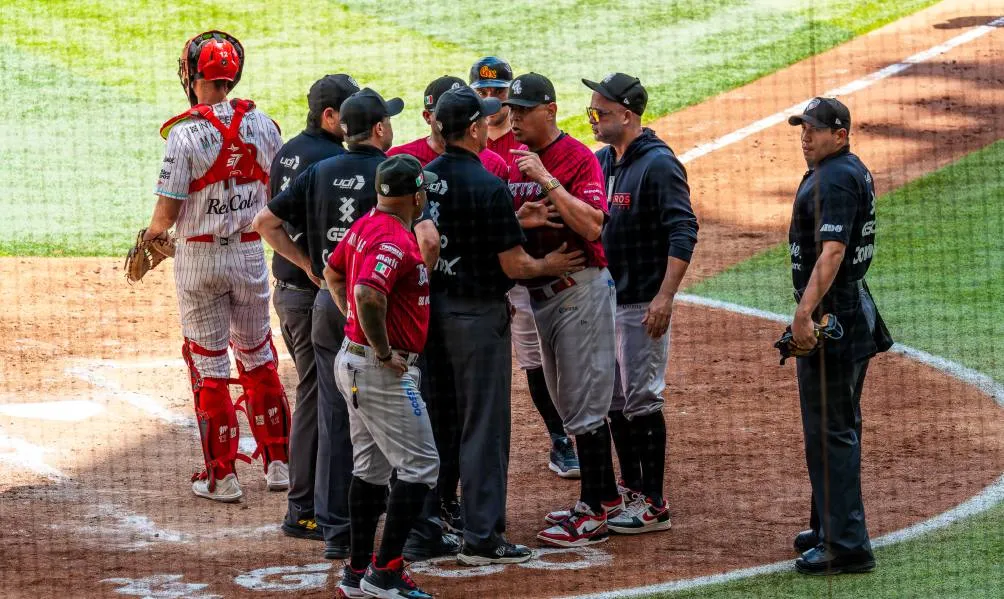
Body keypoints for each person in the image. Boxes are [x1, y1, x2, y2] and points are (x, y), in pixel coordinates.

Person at [419, 87, 586, 565]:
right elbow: (514, 265)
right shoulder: (488, 183)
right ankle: (482, 536)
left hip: (431, 316)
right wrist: (550, 265)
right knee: (484, 428)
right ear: (474, 129)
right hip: (477, 320)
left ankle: (427, 527)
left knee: (437, 423)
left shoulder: (423, 178)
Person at [254, 87, 401, 560]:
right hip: (373, 307)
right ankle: (410, 522)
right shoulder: (389, 173)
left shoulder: (316, 167)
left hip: (323, 301)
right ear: (378, 128)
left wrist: (313, 267)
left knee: (332, 410)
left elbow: (265, 222)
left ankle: (333, 525)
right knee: (394, 407)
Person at [148, 30, 288, 503]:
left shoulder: (184, 133)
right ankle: (279, 464)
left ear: (192, 75)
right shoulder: (264, 125)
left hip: (200, 259)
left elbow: (166, 216)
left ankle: (222, 476)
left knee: (208, 364)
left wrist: (150, 237)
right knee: (258, 354)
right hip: (250, 254)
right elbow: (277, 194)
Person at [504, 73, 621, 547]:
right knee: (568, 400)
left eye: (523, 110)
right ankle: (604, 496)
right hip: (542, 296)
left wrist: (546, 179)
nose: (513, 118)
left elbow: (592, 227)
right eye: (511, 110)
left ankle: (594, 511)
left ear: (549, 110)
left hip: (579, 290)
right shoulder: (514, 161)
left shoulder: (576, 158)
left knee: (585, 402)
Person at [586, 73, 698, 535]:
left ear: (628, 115)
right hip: (605, 302)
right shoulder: (602, 160)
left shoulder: (659, 165)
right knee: (614, 400)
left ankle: (654, 503)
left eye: (600, 112)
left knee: (642, 400)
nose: (592, 119)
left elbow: (683, 230)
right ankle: (632, 488)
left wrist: (665, 297)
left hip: (641, 304)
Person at [785, 97, 893, 575]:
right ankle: (827, 526)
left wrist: (804, 314)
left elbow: (832, 252)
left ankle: (847, 546)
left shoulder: (834, 177)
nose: (806, 136)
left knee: (831, 431)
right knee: (836, 425)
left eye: (814, 129)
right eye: (802, 128)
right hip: (849, 309)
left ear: (840, 134)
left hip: (835, 314)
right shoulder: (845, 169)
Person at [323, 155, 439, 599]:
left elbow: (333, 272)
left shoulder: (366, 224)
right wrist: (384, 349)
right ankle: (384, 572)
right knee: (421, 466)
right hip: (380, 370)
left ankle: (356, 573)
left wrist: (352, 322)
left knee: (370, 470)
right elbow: (368, 292)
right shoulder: (393, 238)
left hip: (355, 364)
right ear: (416, 196)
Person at [471, 58, 579, 480]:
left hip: (551, 270)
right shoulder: (475, 147)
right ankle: (560, 437)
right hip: (504, 272)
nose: (492, 100)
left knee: (562, 358)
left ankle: (579, 431)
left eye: (499, 92)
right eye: (483, 92)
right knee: (532, 360)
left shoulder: (526, 141)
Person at [269, 74, 360, 541]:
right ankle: (304, 506)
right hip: (310, 297)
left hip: (289, 293)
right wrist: (311, 265)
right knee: (320, 396)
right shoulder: (328, 161)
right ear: (329, 116)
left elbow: (273, 220)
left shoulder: (289, 150)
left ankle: (309, 502)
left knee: (315, 391)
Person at [387, 75, 508, 179]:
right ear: (427, 116)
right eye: (447, 112)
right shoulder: (398, 158)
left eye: (464, 112)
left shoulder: (494, 164)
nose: (458, 118)